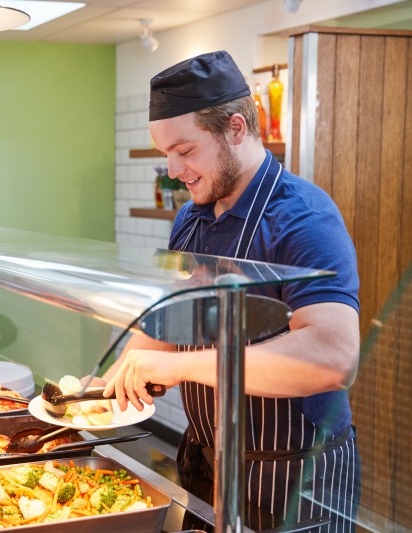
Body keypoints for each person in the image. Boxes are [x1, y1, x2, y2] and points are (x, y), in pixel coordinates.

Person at [101, 51, 361, 531]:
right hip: (207, 459)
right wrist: (98, 389)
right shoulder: (190, 217)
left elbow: (332, 355)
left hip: (292, 477)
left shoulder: (305, 219)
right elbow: (173, 320)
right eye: (166, 154)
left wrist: (176, 366)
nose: (175, 169)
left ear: (236, 128)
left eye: (186, 150)